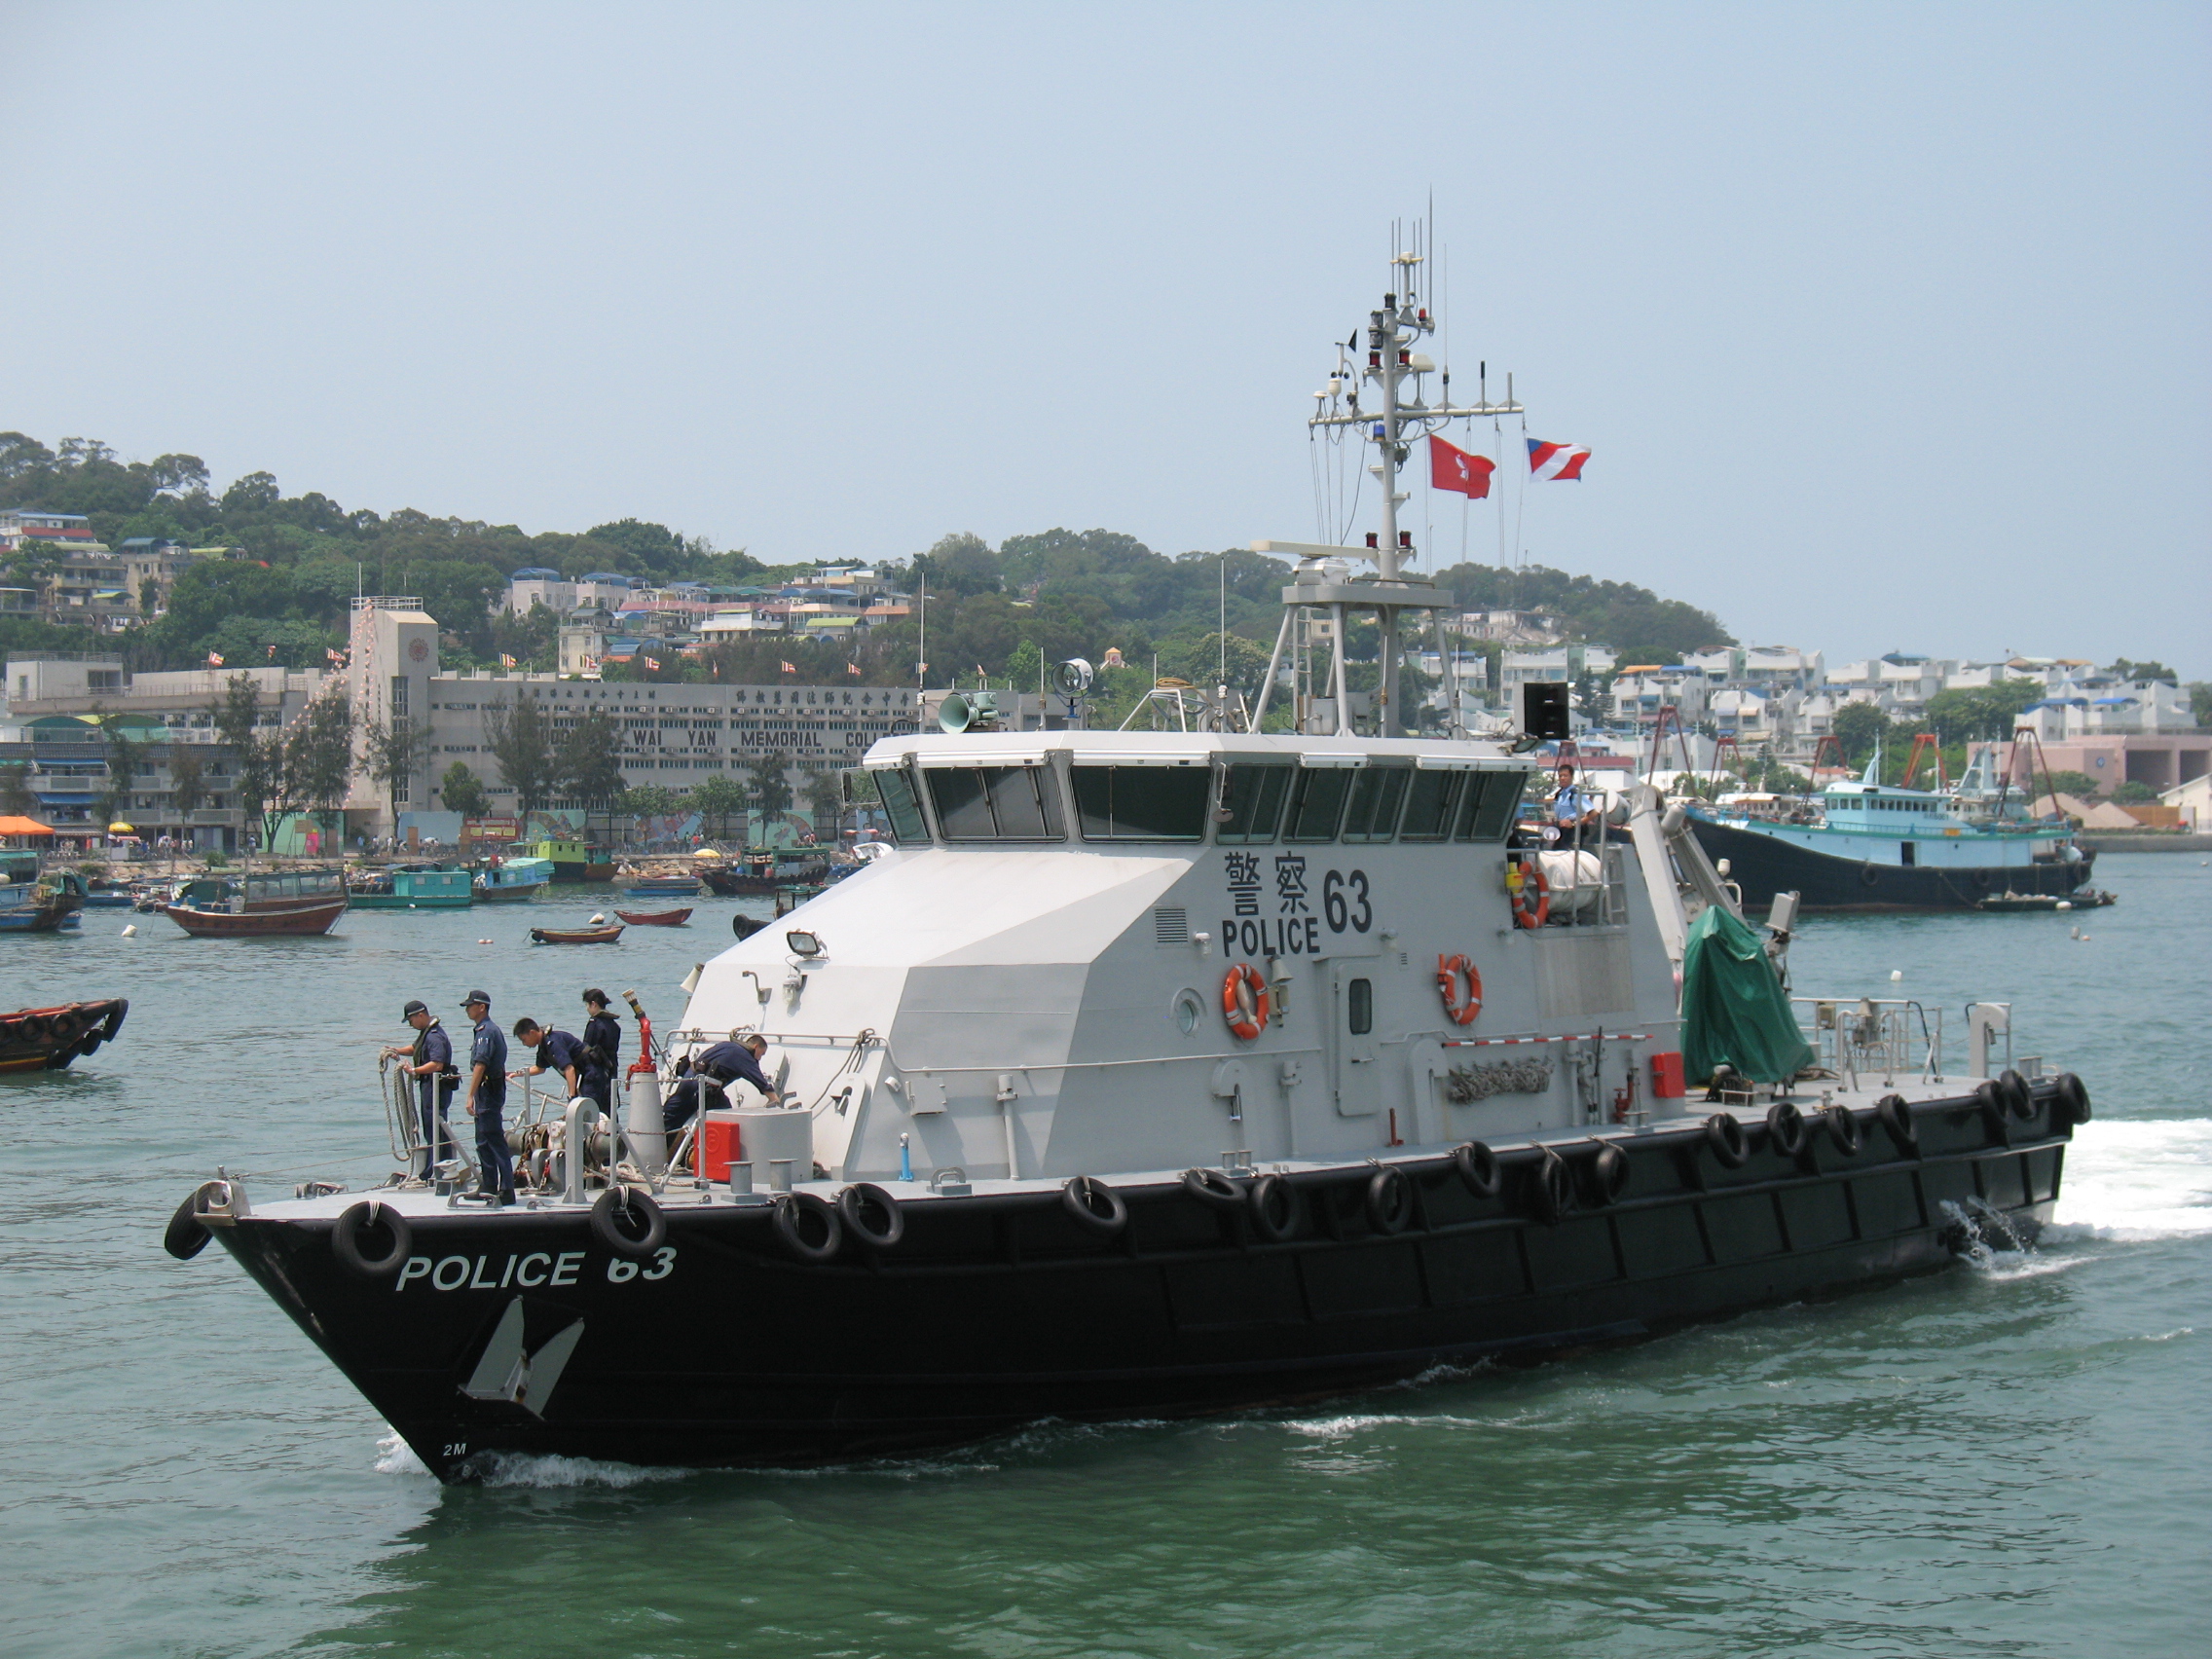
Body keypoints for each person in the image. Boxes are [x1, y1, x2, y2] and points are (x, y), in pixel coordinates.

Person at [381, 999, 457, 1179]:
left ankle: (435, 1170)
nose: (411, 1024)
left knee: (435, 1128)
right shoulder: (426, 1033)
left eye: (411, 1020)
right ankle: (435, 1168)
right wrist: (396, 1051)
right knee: (430, 1128)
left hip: (436, 1087)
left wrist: (413, 1070)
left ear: (420, 1015)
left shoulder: (434, 1036)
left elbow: (437, 1064)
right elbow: (415, 1048)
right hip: (429, 1086)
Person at [662, 1033, 780, 1138]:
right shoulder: (745, 1056)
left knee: (671, 1119)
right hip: (703, 1086)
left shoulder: (727, 1045)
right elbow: (760, 1081)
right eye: (762, 1054)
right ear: (756, 1047)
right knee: (726, 1117)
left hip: (689, 1078)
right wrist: (774, 1098)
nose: (760, 1058)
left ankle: (660, 1148)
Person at [460, 989, 513, 1203]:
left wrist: (470, 1095)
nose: (467, 1010)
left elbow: (481, 1064)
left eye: (470, 1005)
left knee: (493, 1138)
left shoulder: (486, 1032)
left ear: (481, 1007)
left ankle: (506, 1189)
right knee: (483, 1140)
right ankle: (489, 1185)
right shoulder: (483, 1030)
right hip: (487, 1090)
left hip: (489, 1091)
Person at [511, 1016, 585, 1099]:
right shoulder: (543, 1045)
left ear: (532, 1033)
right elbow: (539, 1069)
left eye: (524, 1040)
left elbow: (569, 1068)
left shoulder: (554, 1042)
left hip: (590, 1074)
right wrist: (515, 1074)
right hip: (581, 1079)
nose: (524, 1044)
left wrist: (572, 1096)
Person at [578, 989, 622, 1114]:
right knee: (609, 1109)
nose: (587, 1009)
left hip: (595, 1072)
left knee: (591, 1109)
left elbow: (586, 1049)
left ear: (593, 1004)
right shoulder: (614, 1025)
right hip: (612, 1069)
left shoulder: (594, 1024)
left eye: (587, 1005)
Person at [1551, 762, 1600, 834]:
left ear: (1571, 777)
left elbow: (1593, 813)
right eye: (1560, 776)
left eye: (1565, 775)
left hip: (1573, 830)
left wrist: (1574, 824)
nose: (1562, 778)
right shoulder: (1559, 794)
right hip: (1561, 828)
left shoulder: (1575, 794)